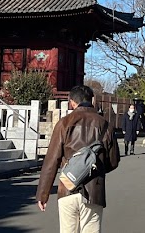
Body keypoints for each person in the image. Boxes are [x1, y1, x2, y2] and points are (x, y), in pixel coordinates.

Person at [36, 84, 120, 232]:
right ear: (92, 101)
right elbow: (113, 161)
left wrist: (43, 194)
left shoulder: (64, 123)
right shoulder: (105, 125)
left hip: (68, 188)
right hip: (94, 190)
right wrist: (95, 167)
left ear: (72, 102)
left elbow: (51, 161)